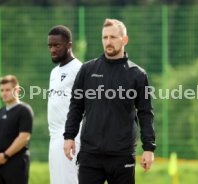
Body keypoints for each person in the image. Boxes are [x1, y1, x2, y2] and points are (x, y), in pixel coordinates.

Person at [64, 18, 156, 184]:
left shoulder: (137, 74)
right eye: (105, 37)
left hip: (122, 155)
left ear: (124, 39)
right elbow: (76, 106)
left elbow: (145, 113)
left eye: (113, 37)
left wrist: (149, 148)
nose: (108, 42)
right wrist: (69, 136)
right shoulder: (87, 69)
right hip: (90, 155)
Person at [47, 25, 82, 184]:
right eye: (50, 46)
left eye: (57, 45)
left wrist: (73, 136)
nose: (52, 50)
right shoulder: (54, 72)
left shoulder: (79, 69)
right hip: (54, 137)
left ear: (69, 45)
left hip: (70, 136)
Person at [0, 75, 34, 184]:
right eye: (2, 90)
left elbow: (24, 137)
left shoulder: (24, 110)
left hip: (16, 163)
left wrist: (5, 155)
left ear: (17, 90)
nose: (4, 93)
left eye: (8, 90)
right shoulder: (0, 112)